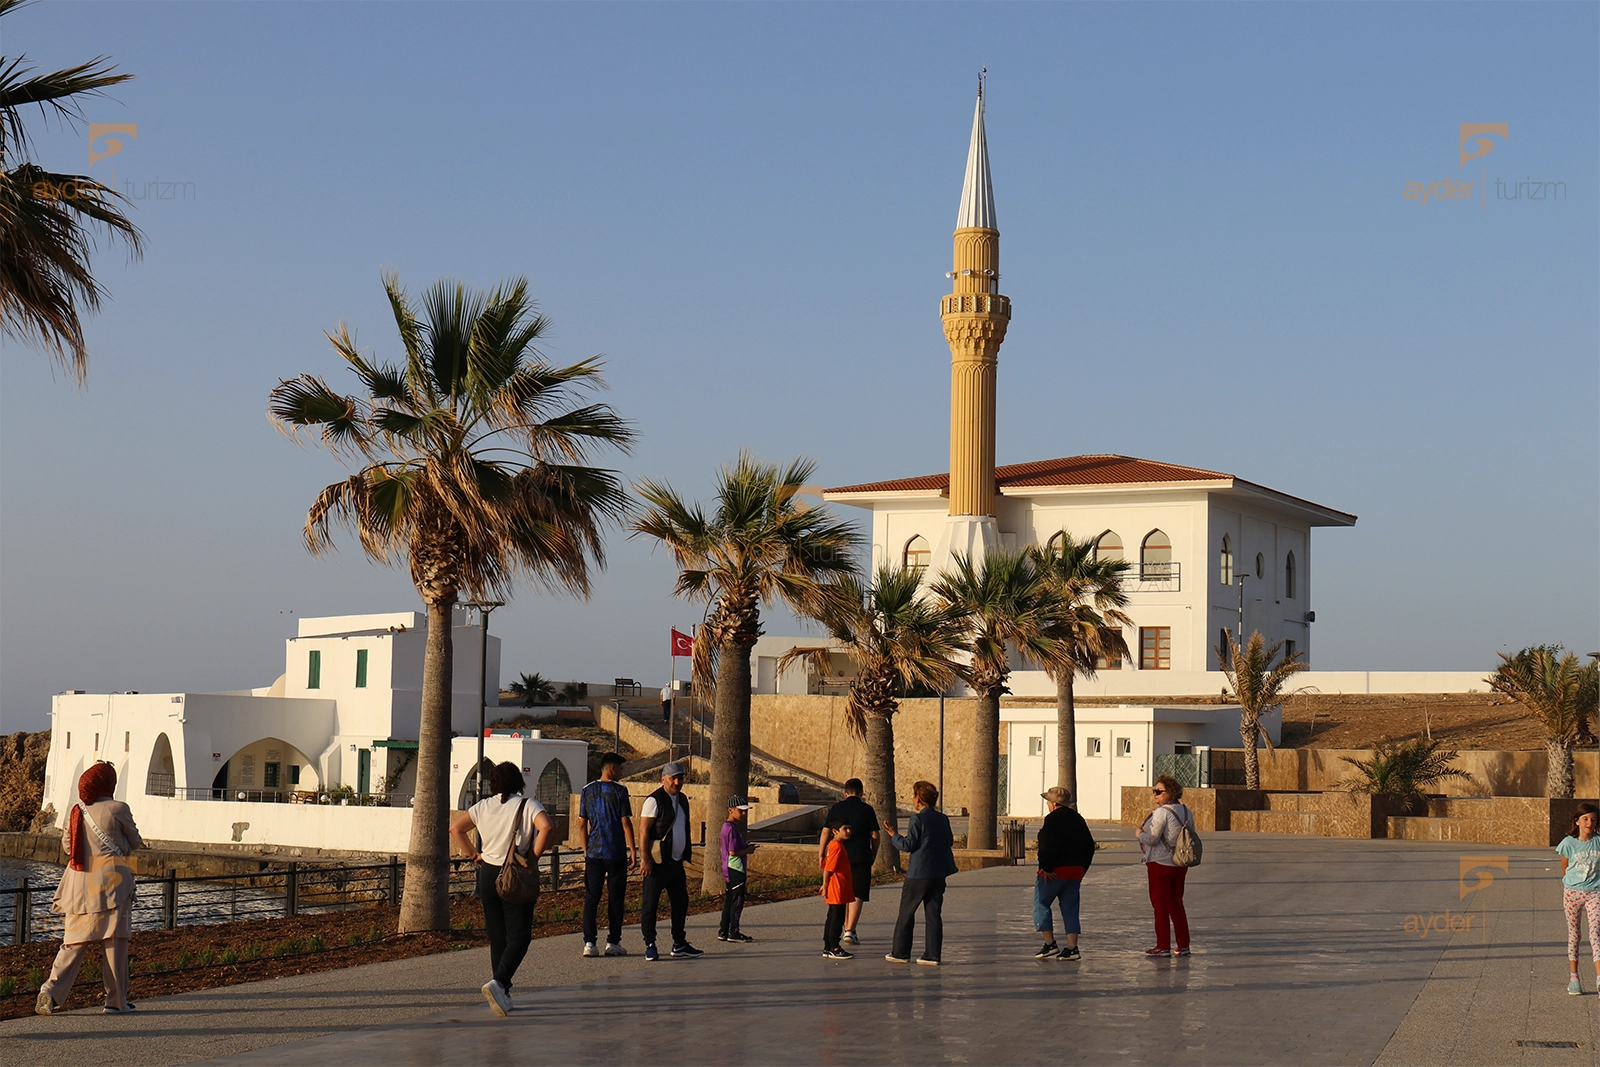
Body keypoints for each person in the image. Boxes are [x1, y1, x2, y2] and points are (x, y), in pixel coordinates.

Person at [36, 761, 144, 1015]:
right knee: (114, 944)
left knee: (72, 944)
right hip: (112, 885)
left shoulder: (77, 810)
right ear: (109, 783)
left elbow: (67, 847)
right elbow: (135, 842)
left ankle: (49, 992)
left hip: (78, 886)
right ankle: (116, 1002)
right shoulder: (118, 808)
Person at [450, 761, 553, 1016]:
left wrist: (475, 854)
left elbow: (456, 828)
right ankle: (500, 983)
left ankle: (502, 993)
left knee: (498, 937)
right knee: (520, 936)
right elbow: (547, 827)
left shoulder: (482, 806)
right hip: (514, 874)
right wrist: (533, 856)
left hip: (488, 874)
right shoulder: (528, 805)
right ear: (519, 782)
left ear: (493, 783)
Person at [883, 780, 958, 966]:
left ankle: (900, 952)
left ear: (918, 799)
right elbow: (949, 840)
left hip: (918, 873)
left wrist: (894, 835)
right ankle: (932, 955)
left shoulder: (917, 819)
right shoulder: (943, 819)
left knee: (907, 912)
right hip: (938, 872)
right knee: (933, 914)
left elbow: (908, 845)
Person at [639, 762, 703, 961]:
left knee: (680, 903)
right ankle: (650, 943)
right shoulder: (654, 800)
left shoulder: (682, 800)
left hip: (675, 863)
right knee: (650, 905)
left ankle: (679, 943)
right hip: (657, 864)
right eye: (673, 778)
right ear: (663, 779)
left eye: (680, 778)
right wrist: (645, 859)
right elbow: (643, 831)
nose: (677, 782)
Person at [578, 751, 637, 958]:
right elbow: (625, 822)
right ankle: (613, 941)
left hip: (594, 852)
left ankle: (589, 943)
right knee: (615, 898)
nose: (621, 773)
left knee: (592, 897)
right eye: (620, 769)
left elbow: (582, 823)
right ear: (612, 769)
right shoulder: (620, 791)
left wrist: (586, 848)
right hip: (615, 852)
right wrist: (633, 849)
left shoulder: (587, 790)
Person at [1032, 785, 1096, 961]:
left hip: (1054, 872)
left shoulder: (1051, 820)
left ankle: (1049, 943)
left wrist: (1046, 868)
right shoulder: (1078, 819)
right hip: (1075, 872)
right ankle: (1072, 947)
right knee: (1070, 908)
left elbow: (1047, 846)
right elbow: (1090, 846)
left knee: (1041, 903)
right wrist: (1083, 868)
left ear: (1052, 804)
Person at [1137, 774, 1194, 957]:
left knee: (1160, 905)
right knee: (1176, 903)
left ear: (1169, 792)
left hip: (1160, 863)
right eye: (1154, 791)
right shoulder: (1186, 810)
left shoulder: (1162, 812)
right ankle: (1183, 944)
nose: (1155, 795)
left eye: (1158, 791)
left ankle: (1162, 946)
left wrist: (1139, 834)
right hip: (1179, 862)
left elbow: (1152, 839)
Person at [818, 777, 878, 946]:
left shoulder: (837, 808)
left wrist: (822, 854)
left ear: (845, 793)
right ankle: (850, 930)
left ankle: (841, 931)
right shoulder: (867, 809)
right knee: (858, 892)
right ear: (861, 793)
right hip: (861, 855)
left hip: (839, 858)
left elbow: (825, 832)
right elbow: (875, 835)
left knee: (842, 893)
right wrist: (873, 853)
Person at [1557, 802, 1600, 995]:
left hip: (1595, 893)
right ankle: (1574, 978)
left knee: (1596, 934)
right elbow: (1565, 867)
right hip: (1572, 893)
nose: (1589, 823)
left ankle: (1599, 978)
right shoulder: (1568, 843)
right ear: (1577, 821)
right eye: (1585, 819)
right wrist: (1571, 883)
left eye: (1592, 819)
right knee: (1574, 935)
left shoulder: (1599, 841)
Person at [719, 796, 759, 942]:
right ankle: (733, 932)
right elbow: (733, 852)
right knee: (737, 900)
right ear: (730, 810)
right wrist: (748, 851)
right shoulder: (731, 828)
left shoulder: (729, 827)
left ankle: (723, 930)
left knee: (729, 899)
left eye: (744, 811)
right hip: (735, 868)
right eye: (740, 811)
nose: (743, 814)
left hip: (728, 867)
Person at [820, 815, 856, 959]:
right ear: (835, 831)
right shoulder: (836, 847)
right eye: (844, 829)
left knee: (832, 916)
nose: (848, 832)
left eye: (849, 829)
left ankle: (828, 945)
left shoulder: (833, 845)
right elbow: (829, 868)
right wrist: (825, 884)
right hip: (837, 887)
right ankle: (834, 946)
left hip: (838, 886)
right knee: (837, 917)